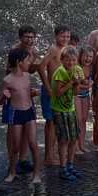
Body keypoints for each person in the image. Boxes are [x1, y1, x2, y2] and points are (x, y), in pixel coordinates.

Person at [0, 48, 43, 184]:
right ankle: (12, 172)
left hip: (29, 111)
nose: (29, 63)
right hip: (16, 113)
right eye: (27, 60)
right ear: (19, 62)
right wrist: (3, 97)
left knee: (33, 144)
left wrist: (33, 93)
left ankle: (36, 174)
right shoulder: (8, 80)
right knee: (16, 146)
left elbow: (26, 93)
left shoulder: (26, 76)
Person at [2, 26, 38, 173]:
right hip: (13, 94)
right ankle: (12, 161)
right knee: (13, 130)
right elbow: (9, 71)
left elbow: (31, 70)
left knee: (26, 128)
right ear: (20, 37)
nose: (29, 40)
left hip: (26, 94)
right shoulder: (14, 51)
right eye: (26, 37)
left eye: (32, 37)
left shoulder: (33, 51)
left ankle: (23, 159)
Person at [38, 25, 71, 165]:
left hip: (61, 91)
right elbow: (41, 67)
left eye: (68, 36)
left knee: (58, 122)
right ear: (56, 36)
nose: (65, 39)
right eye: (63, 36)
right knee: (51, 123)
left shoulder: (66, 50)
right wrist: (47, 87)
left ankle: (54, 154)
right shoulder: (53, 49)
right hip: (51, 91)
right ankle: (48, 157)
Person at [51, 46, 82, 181]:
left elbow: (76, 93)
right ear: (62, 60)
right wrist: (71, 82)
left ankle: (70, 165)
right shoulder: (60, 72)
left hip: (70, 109)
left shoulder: (75, 70)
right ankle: (62, 168)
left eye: (73, 60)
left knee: (73, 138)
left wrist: (77, 83)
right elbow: (58, 92)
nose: (71, 63)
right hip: (59, 110)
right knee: (63, 140)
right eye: (68, 60)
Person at [75, 46, 94, 154]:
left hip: (85, 95)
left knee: (84, 120)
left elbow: (91, 81)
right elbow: (74, 84)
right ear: (80, 56)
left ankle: (82, 144)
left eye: (90, 56)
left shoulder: (90, 68)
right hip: (76, 95)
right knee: (78, 119)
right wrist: (87, 86)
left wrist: (90, 84)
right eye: (86, 56)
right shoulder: (76, 67)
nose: (88, 59)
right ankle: (76, 146)